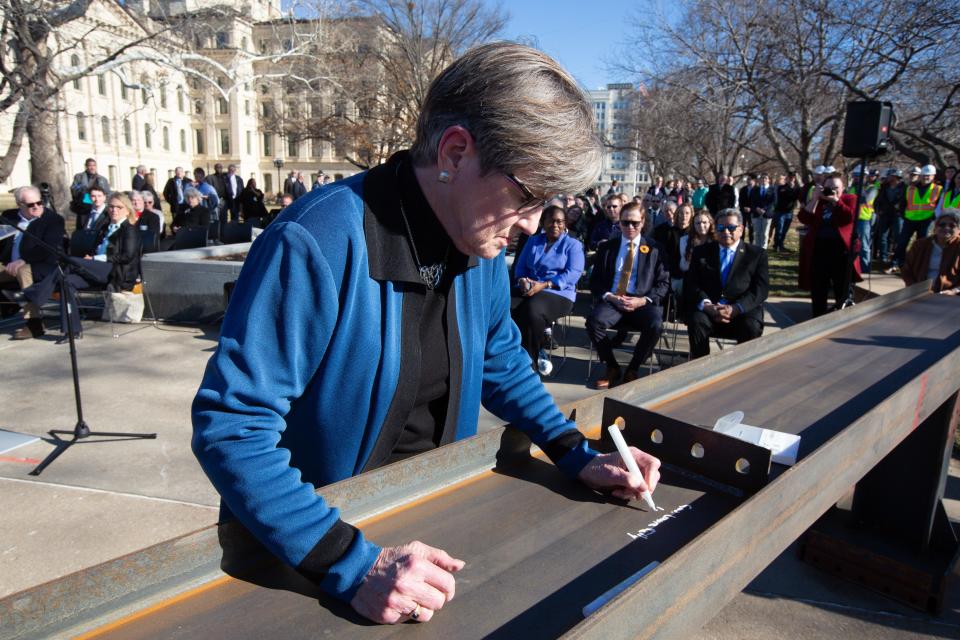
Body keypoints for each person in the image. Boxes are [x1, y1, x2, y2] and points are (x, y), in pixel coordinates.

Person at [191, 43, 660, 626]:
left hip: (422, 524)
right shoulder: (318, 238)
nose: (534, 224)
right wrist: (349, 562)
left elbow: (499, 358)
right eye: (526, 196)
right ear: (456, 152)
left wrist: (574, 451)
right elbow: (232, 427)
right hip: (306, 549)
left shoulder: (478, 237)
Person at [586, 202, 669, 389]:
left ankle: (633, 367)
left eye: (635, 223)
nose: (630, 227)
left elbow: (664, 284)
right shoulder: (607, 247)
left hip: (642, 302)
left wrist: (642, 300)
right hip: (614, 300)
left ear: (643, 222)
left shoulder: (655, 248)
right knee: (593, 321)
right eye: (625, 223)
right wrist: (610, 296)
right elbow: (595, 281)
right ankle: (612, 366)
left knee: (655, 325)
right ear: (619, 223)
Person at [683, 209, 767, 358]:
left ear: (741, 229)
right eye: (721, 228)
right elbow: (692, 283)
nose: (726, 232)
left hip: (741, 311)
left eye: (731, 227)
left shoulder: (756, 254)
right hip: (709, 310)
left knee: (751, 326)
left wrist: (736, 308)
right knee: (696, 321)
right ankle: (699, 369)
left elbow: (760, 290)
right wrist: (707, 305)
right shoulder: (701, 252)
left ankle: (742, 368)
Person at [510, 206, 584, 375]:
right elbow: (520, 267)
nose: (555, 225)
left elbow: (573, 274)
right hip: (530, 289)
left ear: (565, 224)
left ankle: (531, 362)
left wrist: (544, 285)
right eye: (550, 221)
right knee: (504, 304)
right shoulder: (533, 240)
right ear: (543, 223)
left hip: (558, 292)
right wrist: (522, 280)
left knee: (532, 310)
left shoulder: (573, 244)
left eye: (559, 221)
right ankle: (520, 353)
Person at [1, 186, 65, 338]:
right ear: (19, 205)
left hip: (42, 264)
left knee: (24, 272)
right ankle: (7, 305)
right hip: (9, 263)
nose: (36, 207)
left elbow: (48, 248)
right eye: (30, 205)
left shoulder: (53, 220)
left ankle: (34, 324)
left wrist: (23, 260)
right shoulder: (8, 217)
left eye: (39, 202)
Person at [798, 173, 859, 316]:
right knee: (818, 290)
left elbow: (848, 217)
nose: (832, 191)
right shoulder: (819, 201)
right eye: (828, 188)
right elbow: (804, 218)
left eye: (836, 188)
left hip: (841, 252)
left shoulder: (850, 199)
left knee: (842, 289)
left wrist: (836, 201)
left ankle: (843, 319)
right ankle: (818, 318)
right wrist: (814, 199)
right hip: (819, 250)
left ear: (843, 188)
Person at [84, 193, 141, 292]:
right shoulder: (105, 227)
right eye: (111, 207)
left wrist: (96, 258)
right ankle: (70, 307)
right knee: (67, 278)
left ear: (127, 211)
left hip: (116, 273)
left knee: (72, 266)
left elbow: (127, 257)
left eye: (119, 207)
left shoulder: (129, 230)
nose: (114, 210)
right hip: (98, 268)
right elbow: (95, 249)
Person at [890, 164, 942, 273]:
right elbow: (903, 203)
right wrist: (903, 214)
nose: (926, 177)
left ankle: (918, 266)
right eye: (924, 175)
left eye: (929, 175)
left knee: (922, 244)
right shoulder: (910, 188)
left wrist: (933, 217)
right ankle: (896, 263)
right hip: (910, 220)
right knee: (902, 242)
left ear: (933, 176)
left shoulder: (938, 189)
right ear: (920, 176)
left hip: (926, 221)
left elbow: (939, 205)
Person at [900, 209, 960, 294]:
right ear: (935, 227)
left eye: (952, 225)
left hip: (948, 295)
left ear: (958, 230)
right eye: (942, 225)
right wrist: (913, 287)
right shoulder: (920, 244)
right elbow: (906, 270)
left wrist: (953, 291)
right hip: (918, 292)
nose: (946, 228)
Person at [845, 167, 881, 273]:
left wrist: (855, 195)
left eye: (858, 176)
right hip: (852, 219)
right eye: (855, 176)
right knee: (852, 244)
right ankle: (853, 266)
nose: (856, 178)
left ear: (865, 176)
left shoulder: (872, 188)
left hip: (865, 219)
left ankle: (865, 268)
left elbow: (865, 200)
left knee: (864, 245)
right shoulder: (852, 188)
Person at [875, 168, 906, 266]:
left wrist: (900, 208)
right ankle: (883, 258)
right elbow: (878, 200)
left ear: (895, 177)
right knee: (882, 237)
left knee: (898, 237)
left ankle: (896, 260)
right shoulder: (884, 187)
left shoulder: (904, 187)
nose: (888, 177)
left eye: (890, 176)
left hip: (897, 215)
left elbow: (906, 201)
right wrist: (878, 210)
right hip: (885, 214)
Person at [679, 210, 715, 275]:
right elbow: (683, 265)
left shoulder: (717, 240)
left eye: (704, 222)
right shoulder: (684, 240)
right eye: (698, 223)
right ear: (693, 225)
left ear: (710, 223)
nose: (701, 225)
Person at [748, 174, 777, 250]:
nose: (764, 179)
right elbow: (751, 201)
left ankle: (763, 249)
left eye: (766, 178)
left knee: (764, 233)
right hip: (756, 214)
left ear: (768, 180)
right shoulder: (755, 189)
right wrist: (756, 208)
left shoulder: (773, 189)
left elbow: (773, 202)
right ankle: (757, 248)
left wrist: (764, 209)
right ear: (760, 180)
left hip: (767, 214)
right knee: (757, 233)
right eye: (762, 178)